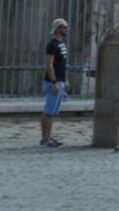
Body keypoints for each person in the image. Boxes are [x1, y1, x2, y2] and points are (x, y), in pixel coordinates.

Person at [40, 18, 69, 148]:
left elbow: (63, 64)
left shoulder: (61, 44)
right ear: (58, 28)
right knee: (49, 111)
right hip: (54, 81)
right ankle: (45, 138)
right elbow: (49, 64)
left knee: (52, 111)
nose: (66, 29)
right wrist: (53, 81)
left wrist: (65, 79)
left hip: (60, 80)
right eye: (64, 27)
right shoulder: (52, 45)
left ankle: (49, 136)